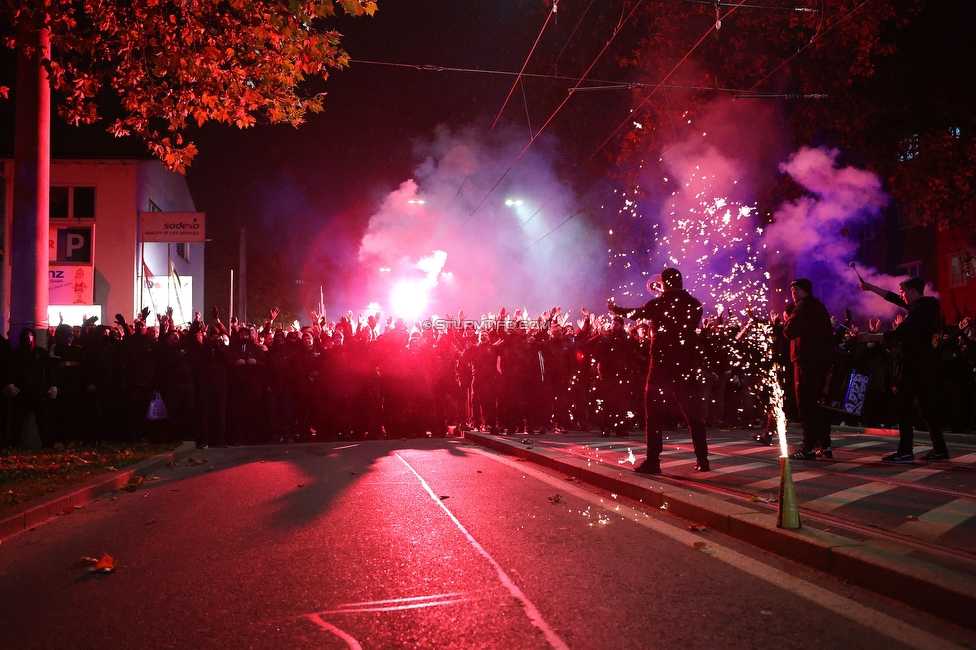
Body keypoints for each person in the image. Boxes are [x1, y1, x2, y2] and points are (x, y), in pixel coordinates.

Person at [608, 268, 709, 473]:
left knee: (653, 413)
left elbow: (635, 313)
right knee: (693, 414)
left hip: (661, 365)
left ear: (664, 283)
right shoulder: (694, 304)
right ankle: (703, 459)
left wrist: (614, 309)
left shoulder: (658, 304)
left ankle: (653, 460)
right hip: (685, 365)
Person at [857, 276, 949, 462]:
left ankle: (906, 450)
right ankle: (940, 449)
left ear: (913, 292)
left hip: (913, 364)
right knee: (925, 407)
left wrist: (871, 337)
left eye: (904, 292)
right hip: (921, 364)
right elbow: (892, 297)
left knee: (903, 406)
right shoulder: (923, 307)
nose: (902, 296)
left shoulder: (920, 311)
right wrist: (871, 288)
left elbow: (899, 333)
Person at [783, 278, 835, 460]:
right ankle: (825, 445)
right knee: (820, 405)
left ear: (805, 290)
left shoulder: (801, 308)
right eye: (791, 290)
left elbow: (789, 332)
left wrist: (787, 319)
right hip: (820, 362)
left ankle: (808, 448)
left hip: (805, 362)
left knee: (806, 404)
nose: (793, 293)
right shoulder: (820, 307)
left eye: (795, 289)